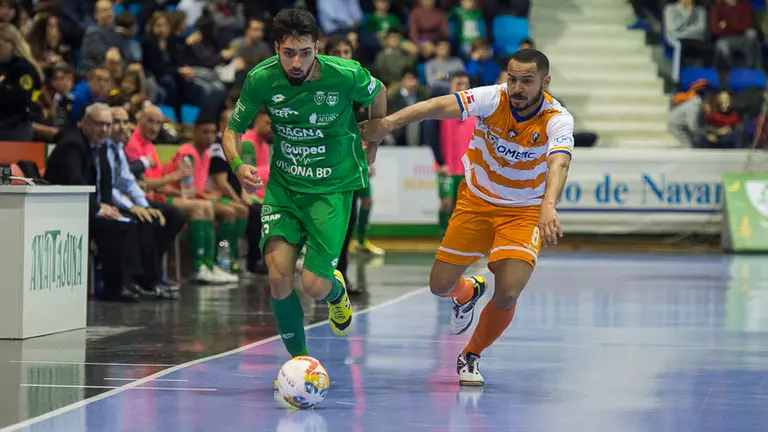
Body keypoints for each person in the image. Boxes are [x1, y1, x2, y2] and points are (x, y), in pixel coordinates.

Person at [361, 49, 575, 386]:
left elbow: (559, 162)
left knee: (508, 291)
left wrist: (549, 204)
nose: (517, 87)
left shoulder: (558, 118)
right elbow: (437, 107)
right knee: (439, 285)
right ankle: (466, 292)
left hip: (523, 212)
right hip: (475, 202)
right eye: (512, 78)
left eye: (527, 81)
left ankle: (471, 354)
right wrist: (387, 123)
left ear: (545, 82)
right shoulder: (494, 97)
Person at [220, 10, 387, 369]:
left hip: (332, 186)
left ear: (316, 48)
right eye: (289, 53)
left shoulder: (345, 75)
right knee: (278, 279)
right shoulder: (260, 80)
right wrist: (238, 165)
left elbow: (380, 93)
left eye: (306, 53)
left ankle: (336, 290)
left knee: (314, 285)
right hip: (283, 186)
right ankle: (300, 363)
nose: (297, 62)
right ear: (276, 48)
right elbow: (232, 130)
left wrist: (373, 141)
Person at [44, 103, 147, 302]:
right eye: (99, 124)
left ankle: (129, 281)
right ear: (84, 123)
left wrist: (109, 206)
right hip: (65, 209)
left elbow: (106, 183)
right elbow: (75, 184)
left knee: (127, 221)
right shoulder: (72, 146)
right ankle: (113, 288)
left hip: (86, 206)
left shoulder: (98, 144)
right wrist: (99, 208)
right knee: (110, 227)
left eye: (108, 125)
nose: (105, 130)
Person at [165, 116, 250, 274]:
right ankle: (208, 263)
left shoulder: (205, 154)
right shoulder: (187, 154)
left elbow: (198, 186)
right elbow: (187, 190)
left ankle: (226, 259)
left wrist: (208, 193)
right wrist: (207, 196)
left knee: (241, 210)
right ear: (195, 132)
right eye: (205, 132)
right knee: (228, 211)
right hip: (176, 197)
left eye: (212, 132)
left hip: (196, 197)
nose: (210, 137)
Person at [431, 71, 473, 234]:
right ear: (451, 86)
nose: (461, 87)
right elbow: (432, 137)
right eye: (458, 84)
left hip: (467, 170)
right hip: (446, 167)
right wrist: (440, 161)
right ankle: (444, 237)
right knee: (446, 203)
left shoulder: (476, 111)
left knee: (463, 207)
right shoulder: (442, 108)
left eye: (464, 84)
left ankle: (460, 243)